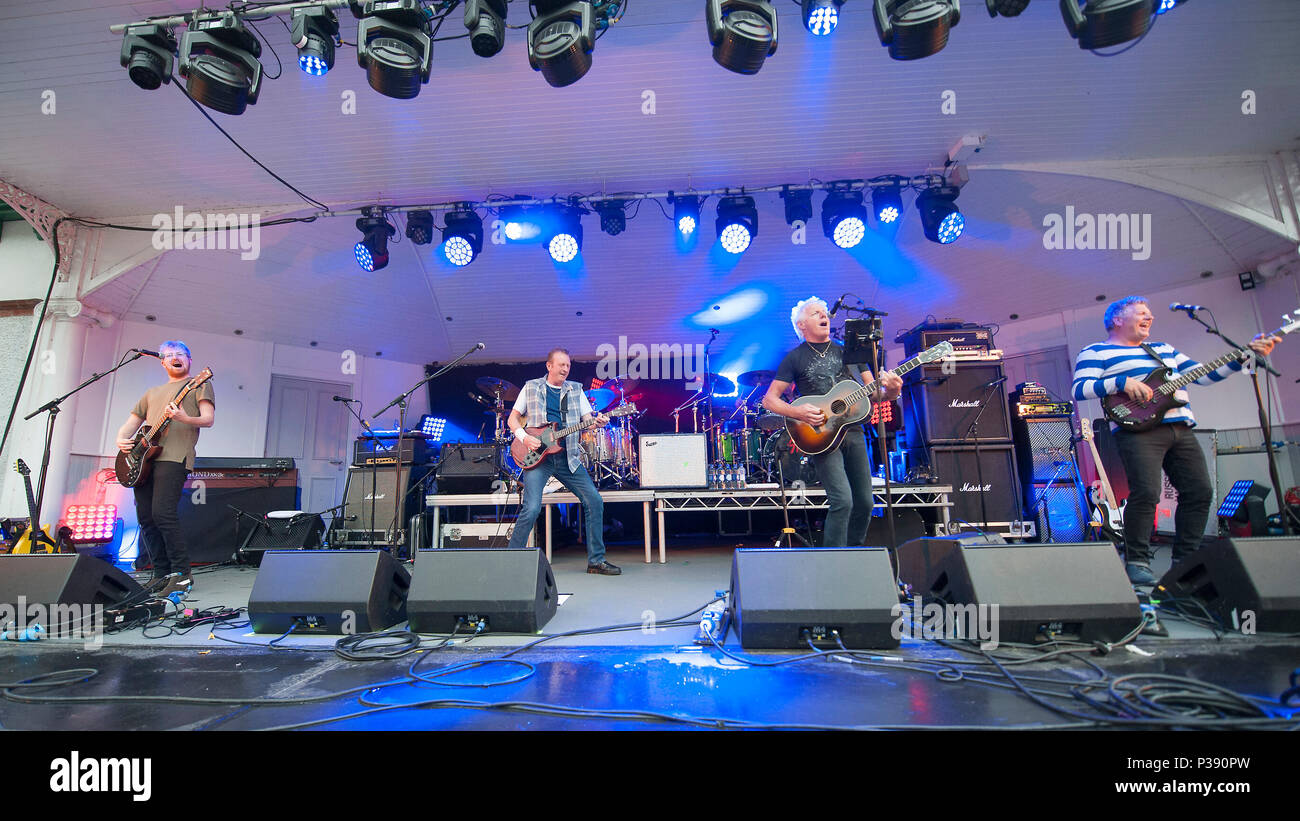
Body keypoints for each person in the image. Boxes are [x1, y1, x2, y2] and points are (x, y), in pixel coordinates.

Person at [1072, 297, 1280, 585]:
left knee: (1199, 491)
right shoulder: (1096, 351)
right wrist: (1121, 383)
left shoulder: (1162, 350)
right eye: (1142, 313)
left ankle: (1185, 561)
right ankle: (1138, 561)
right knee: (1146, 493)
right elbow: (1080, 388)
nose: (1150, 317)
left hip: (1180, 428)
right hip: (1137, 430)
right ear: (1118, 319)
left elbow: (1204, 376)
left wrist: (1242, 358)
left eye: (1150, 314)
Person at [762, 297, 903, 547]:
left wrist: (892, 392)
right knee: (842, 500)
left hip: (854, 431)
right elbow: (770, 401)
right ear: (802, 325)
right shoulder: (794, 358)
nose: (824, 315)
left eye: (825, 312)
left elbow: (874, 393)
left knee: (865, 502)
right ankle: (834, 559)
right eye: (816, 313)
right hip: (821, 434)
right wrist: (799, 413)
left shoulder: (851, 352)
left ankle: (855, 552)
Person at [115, 341, 215, 596]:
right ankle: (161, 574)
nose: (175, 358)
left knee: (163, 514)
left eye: (180, 354)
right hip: (143, 461)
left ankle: (182, 574)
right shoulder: (151, 393)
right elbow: (130, 425)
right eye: (169, 355)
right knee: (146, 518)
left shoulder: (199, 384)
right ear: (162, 362)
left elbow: (208, 419)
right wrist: (121, 439)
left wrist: (184, 418)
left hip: (175, 457)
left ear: (189, 359)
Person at [507, 348, 619, 575]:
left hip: (568, 457)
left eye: (568, 365)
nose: (565, 369)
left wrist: (597, 422)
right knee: (531, 508)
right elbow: (512, 419)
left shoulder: (575, 390)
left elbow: (587, 419)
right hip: (539, 459)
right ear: (549, 366)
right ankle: (511, 559)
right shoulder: (531, 387)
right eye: (561, 365)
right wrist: (526, 438)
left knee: (594, 501)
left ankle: (596, 561)